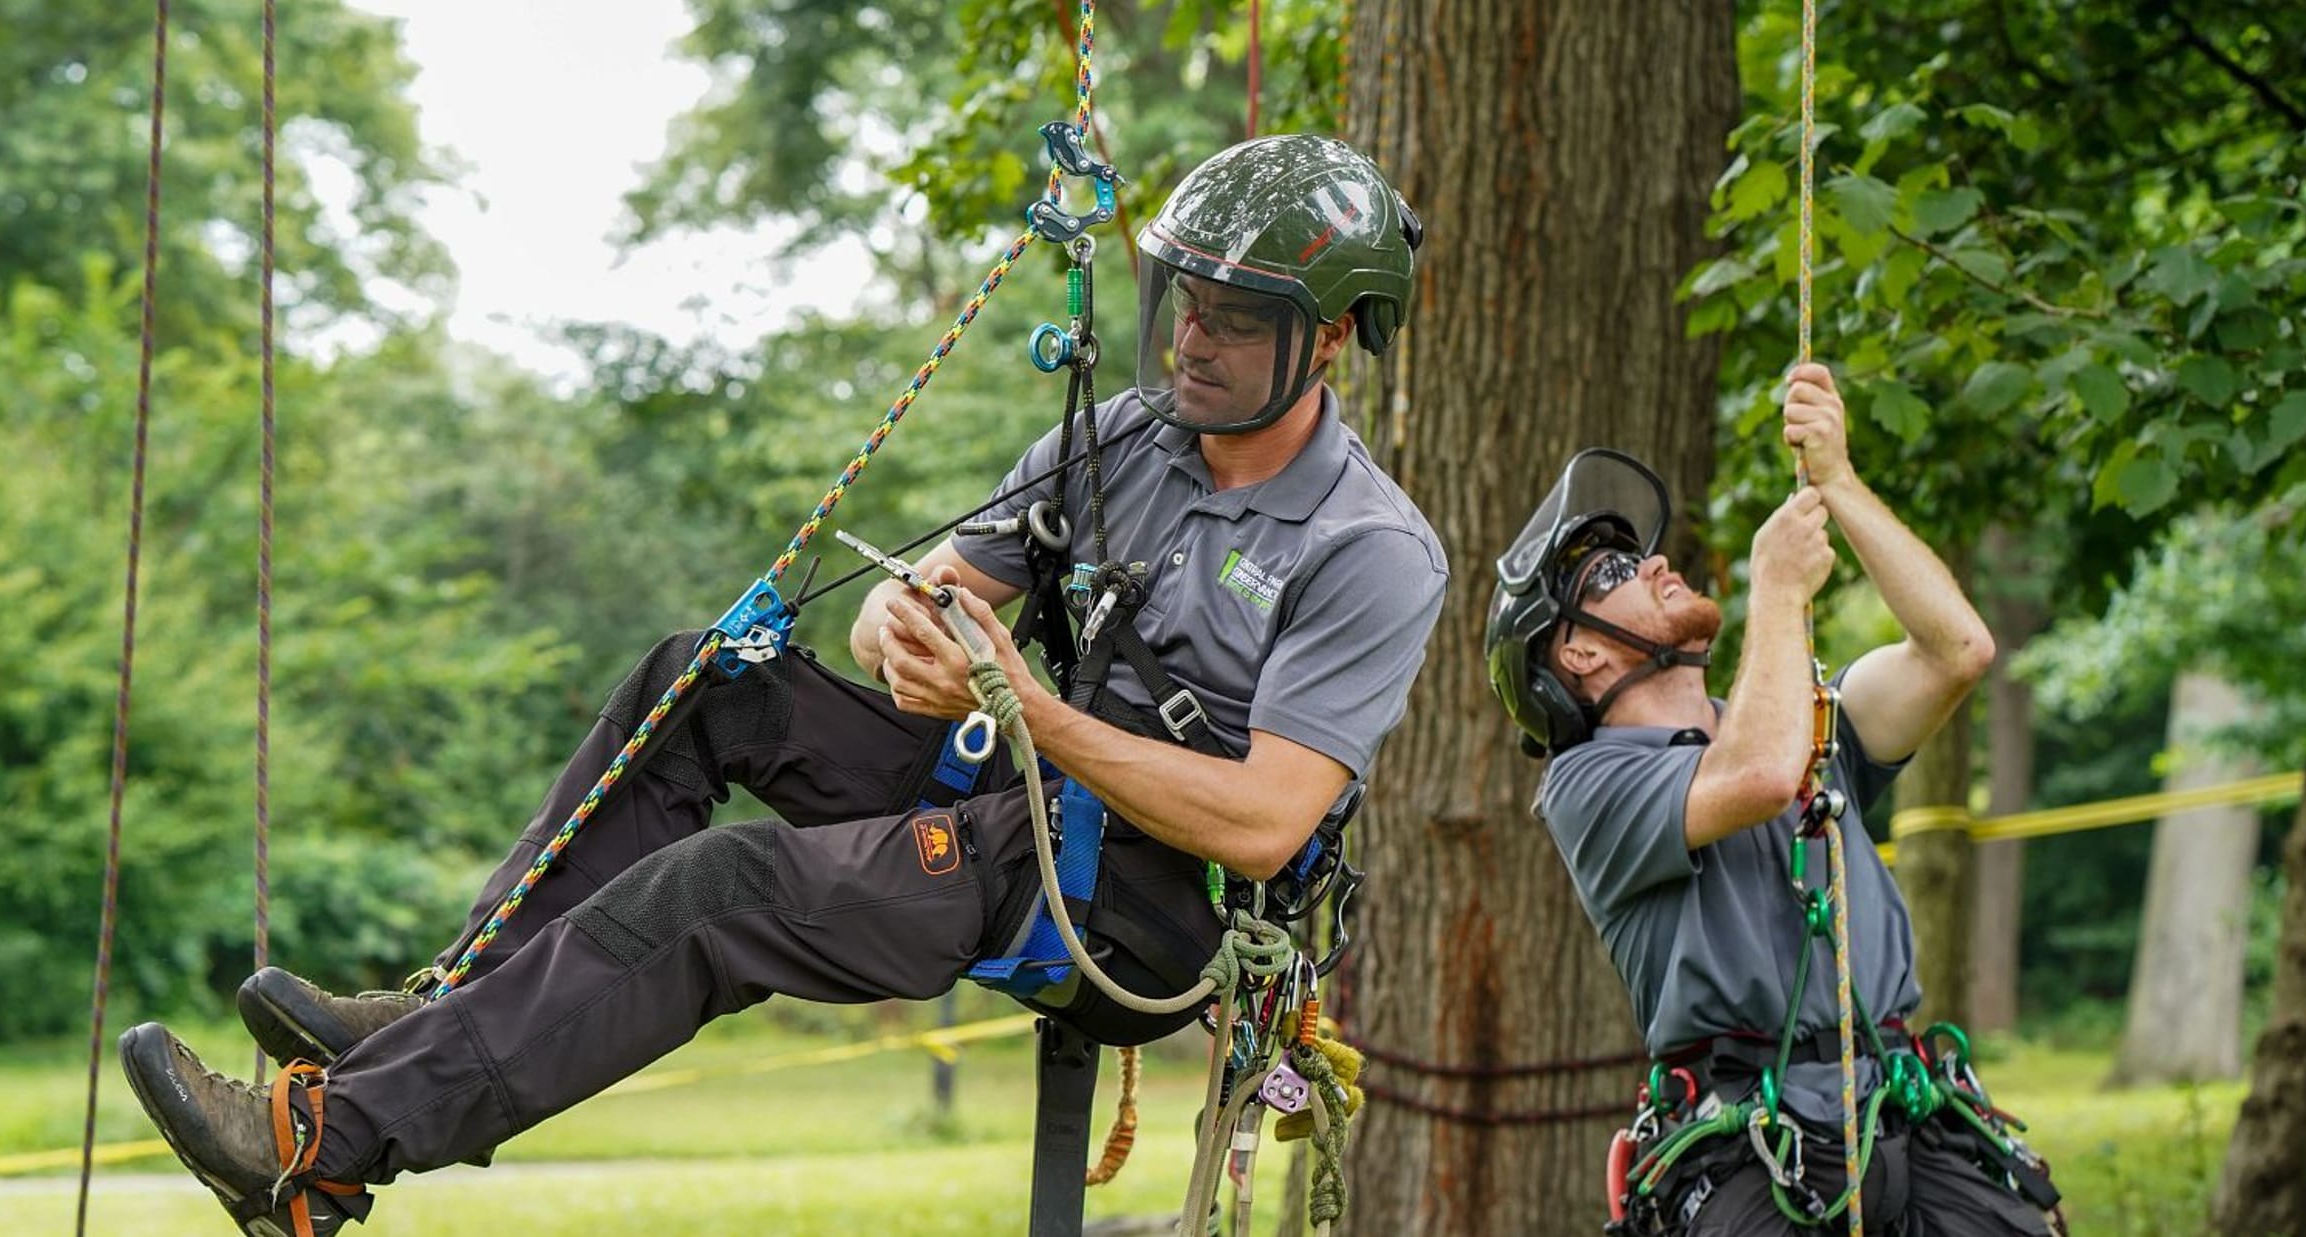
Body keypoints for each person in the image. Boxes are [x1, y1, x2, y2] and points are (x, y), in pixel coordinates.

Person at [119, 133, 1447, 1237]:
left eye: (1239, 317)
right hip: (1027, 798)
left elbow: (1268, 819)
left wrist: (1026, 713)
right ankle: (453, 1007)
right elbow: (920, 597)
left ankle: (320, 1148)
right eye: (1183, 301)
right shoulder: (1123, 438)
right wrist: (909, 631)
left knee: (720, 892)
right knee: (705, 683)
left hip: (1141, 908)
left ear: (1329, 337)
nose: (1192, 339)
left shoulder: (1365, 549)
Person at [1482, 366, 2058, 1235]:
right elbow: (1750, 778)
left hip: (1898, 1108)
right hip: (1743, 1138)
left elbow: (1956, 650)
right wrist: (1777, 590)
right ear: (1578, 655)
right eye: (1615, 570)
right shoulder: (1585, 784)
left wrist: (1839, 485)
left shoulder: (1809, 722)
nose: (1658, 563)